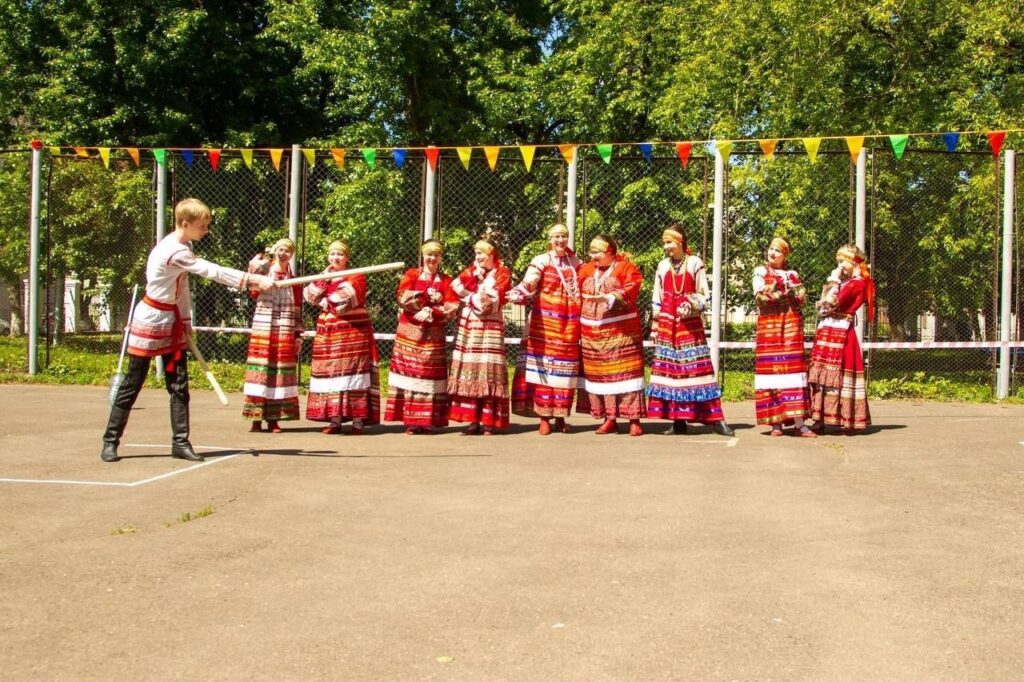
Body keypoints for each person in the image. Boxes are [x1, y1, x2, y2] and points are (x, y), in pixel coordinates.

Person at [100, 198, 273, 463]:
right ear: (185, 224)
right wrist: (251, 279)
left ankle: (180, 443)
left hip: (171, 324)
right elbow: (209, 270)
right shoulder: (174, 251)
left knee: (178, 383)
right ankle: (110, 441)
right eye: (202, 226)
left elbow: (181, 286)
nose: (206, 230)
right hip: (149, 322)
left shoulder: (184, 245)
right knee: (132, 382)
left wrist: (186, 320)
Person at [646, 224, 734, 436]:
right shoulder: (662, 266)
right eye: (664, 243)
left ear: (680, 242)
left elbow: (704, 293)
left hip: (690, 324)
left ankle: (715, 419)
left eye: (669, 242)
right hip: (668, 324)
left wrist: (691, 304)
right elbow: (656, 298)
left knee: (698, 369)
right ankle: (678, 421)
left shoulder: (695, 263)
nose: (666, 247)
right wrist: (656, 326)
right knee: (672, 370)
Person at [508, 223, 583, 435]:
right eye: (557, 236)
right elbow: (529, 283)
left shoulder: (576, 262)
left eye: (564, 236)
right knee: (543, 370)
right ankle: (544, 418)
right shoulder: (541, 260)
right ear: (550, 239)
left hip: (569, 324)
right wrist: (518, 292)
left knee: (565, 371)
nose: (561, 240)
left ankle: (561, 416)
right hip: (544, 324)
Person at [303, 241, 380, 434]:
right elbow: (308, 295)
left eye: (340, 254)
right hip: (328, 332)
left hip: (353, 332)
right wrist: (323, 281)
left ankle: (357, 420)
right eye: (333, 254)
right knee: (331, 373)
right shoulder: (324, 276)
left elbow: (347, 298)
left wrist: (325, 301)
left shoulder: (356, 275)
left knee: (354, 373)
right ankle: (335, 419)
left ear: (347, 258)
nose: (336, 258)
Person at [384, 239, 460, 434]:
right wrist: (425, 302)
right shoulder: (411, 274)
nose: (432, 258)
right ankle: (410, 420)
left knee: (429, 374)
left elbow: (453, 307)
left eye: (436, 255)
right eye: (429, 254)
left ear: (441, 257)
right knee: (410, 372)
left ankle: (426, 420)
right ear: (423, 255)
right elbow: (402, 296)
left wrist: (433, 312)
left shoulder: (446, 280)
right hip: (410, 330)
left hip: (433, 333)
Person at [577, 234, 646, 436]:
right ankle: (610, 418)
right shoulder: (586, 270)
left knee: (627, 373)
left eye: (597, 252)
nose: (593, 256)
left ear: (610, 252)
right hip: (593, 335)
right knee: (604, 376)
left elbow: (632, 287)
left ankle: (634, 419)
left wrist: (610, 297)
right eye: (591, 252)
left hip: (622, 333)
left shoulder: (626, 268)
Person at [808, 243, 874, 433]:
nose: (839, 266)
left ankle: (847, 418)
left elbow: (828, 305)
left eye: (842, 262)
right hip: (829, 331)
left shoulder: (857, 283)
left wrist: (833, 280)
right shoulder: (846, 282)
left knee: (838, 375)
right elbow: (823, 305)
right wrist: (833, 285)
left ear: (853, 262)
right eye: (838, 262)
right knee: (822, 374)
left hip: (841, 333)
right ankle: (820, 418)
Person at [447, 239, 512, 435]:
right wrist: (473, 281)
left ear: (492, 254)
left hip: (490, 327)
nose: (478, 257)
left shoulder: (502, 272)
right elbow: (455, 285)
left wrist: (468, 297)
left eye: (481, 253)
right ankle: (472, 420)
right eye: (476, 253)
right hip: (470, 327)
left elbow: (490, 301)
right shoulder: (472, 271)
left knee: (488, 367)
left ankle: (489, 421)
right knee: (471, 368)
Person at [752, 237, 815, 437]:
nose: (772, 252)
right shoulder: (760, 272)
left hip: (790, 326)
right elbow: (761, 299)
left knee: (793, 372)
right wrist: (782, 292)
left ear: (785, 255)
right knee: (772, 372)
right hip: (769, 327)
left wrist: (792, 288)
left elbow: (802, 299)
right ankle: (776, 423)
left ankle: (799, 423)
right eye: (771, 248)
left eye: (778, 250)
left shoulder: (792, 274)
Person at [241, 238, 303, 433]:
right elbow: (251, 287)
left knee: (279, 371)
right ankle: (256, 418)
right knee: (261, 369)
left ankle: (274, 419)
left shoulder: (294, 280)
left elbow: (298, 308)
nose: (283, 253)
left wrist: (298, 334)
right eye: (280, 250)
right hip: (264, 325)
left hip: (284, 327)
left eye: (288, 251)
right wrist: (260, 264)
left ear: (292, 255)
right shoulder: (265, 271)